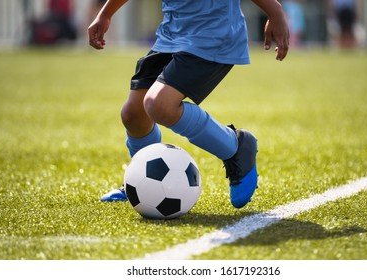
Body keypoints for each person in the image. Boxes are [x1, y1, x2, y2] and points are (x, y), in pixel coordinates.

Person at [88, 0, 289, 209]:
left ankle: (235, 147)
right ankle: (142, 184)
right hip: (172, 35)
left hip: (213, 35)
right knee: (133, 114)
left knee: (159, 104)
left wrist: (274, 11)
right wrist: (106, 14)